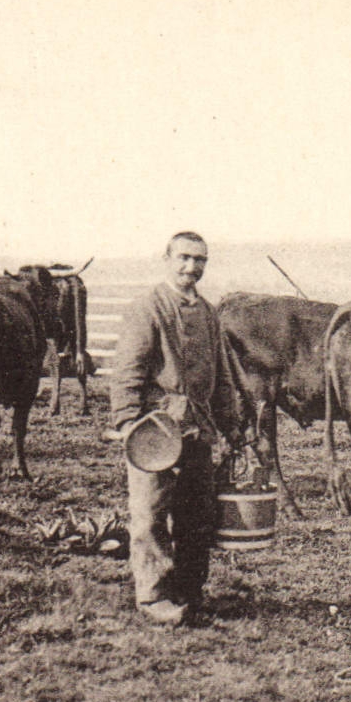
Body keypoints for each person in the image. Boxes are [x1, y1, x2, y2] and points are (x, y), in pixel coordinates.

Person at [110, 231, 250, 624]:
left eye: (200, 260)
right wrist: (126, 422)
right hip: (155, 430)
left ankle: (190, 591)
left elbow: (222, 377)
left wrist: (232, 427)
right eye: (184, 258)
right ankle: (154, 598)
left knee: (196, 515)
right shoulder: (148, 308)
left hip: (198, 430)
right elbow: (127, 371)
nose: (192, 267)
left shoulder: (208, 313)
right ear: (166, 258)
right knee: (150, 514)